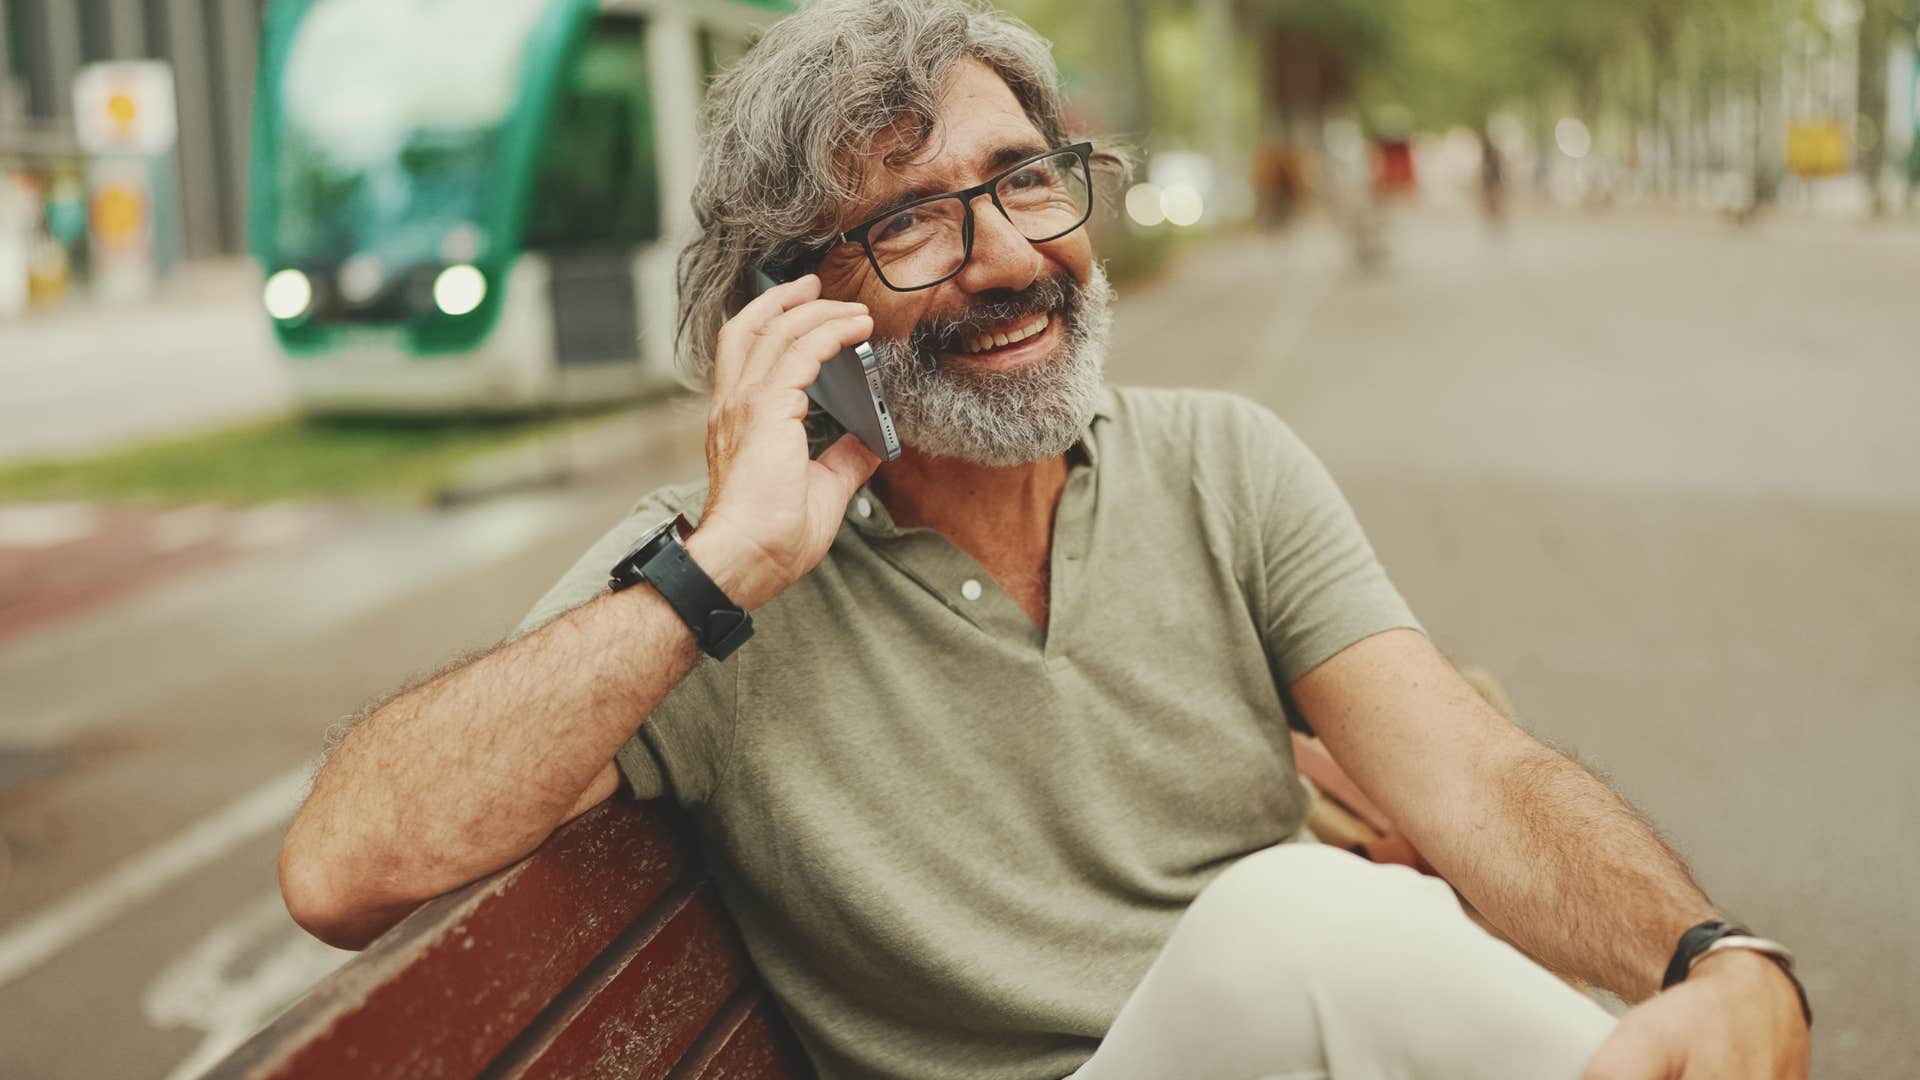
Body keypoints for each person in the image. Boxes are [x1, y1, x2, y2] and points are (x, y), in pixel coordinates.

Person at [277, 3, 1812, 1078]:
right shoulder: (705, 585)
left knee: (1325, 920)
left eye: (1025, 177)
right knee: (1292, 920)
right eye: (913, 223)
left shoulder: (1225, 462)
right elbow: (346, 865)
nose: (1009, 254)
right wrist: (725, 566)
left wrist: (1712, 955)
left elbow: (1472, 775)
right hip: (1227, 1010)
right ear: (786, 309)